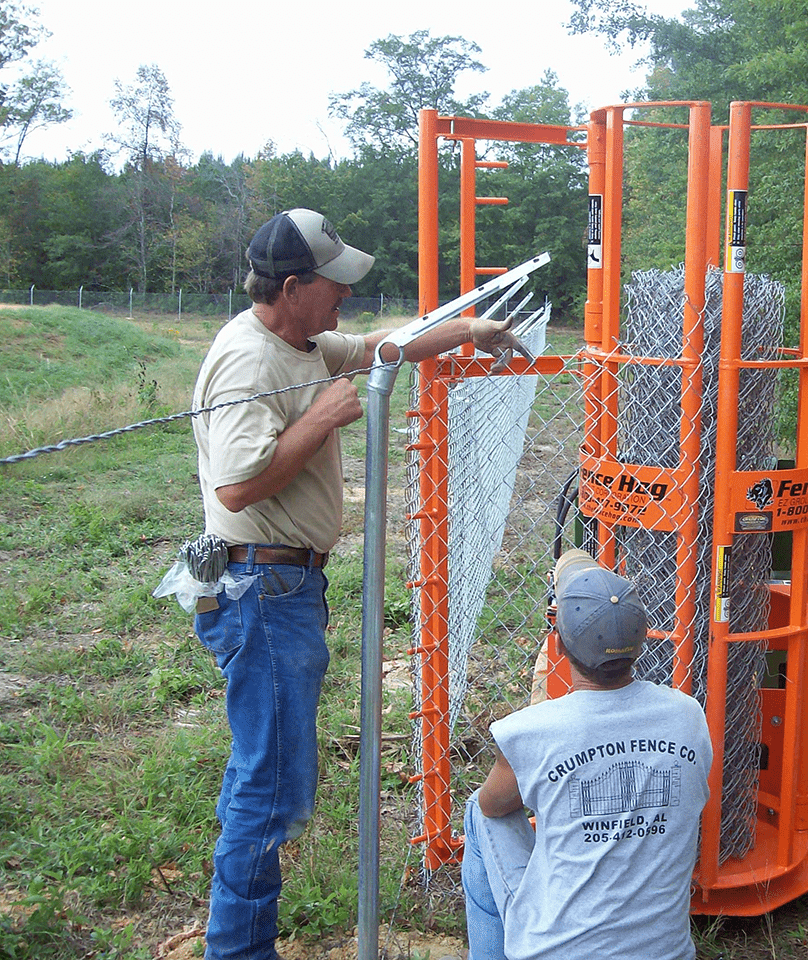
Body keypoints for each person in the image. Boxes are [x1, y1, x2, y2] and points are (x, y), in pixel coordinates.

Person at [191, 207, 532, 960]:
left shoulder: (303, 342)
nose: (345, 295)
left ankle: (237, 939)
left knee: (266, 771)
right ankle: (238, 952)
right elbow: (237, 489)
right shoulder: (251, 359)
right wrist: (322, 417)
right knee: (271, 784)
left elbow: (385, 345)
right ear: (291, 285)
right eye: (333, 283)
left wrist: (469, 331)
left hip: (280, 589)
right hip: (260, 589)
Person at [461, 548, 714, 960]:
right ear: (643, 640)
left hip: (557, 952)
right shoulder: (688, 715)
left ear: (558, 644)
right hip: (666, 953)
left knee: (477, 810)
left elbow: (494, 808)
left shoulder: (531, 731)